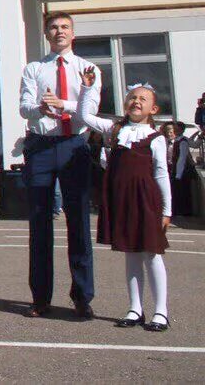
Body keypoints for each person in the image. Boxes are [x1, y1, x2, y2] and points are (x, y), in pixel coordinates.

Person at [18, 11, 100, 320]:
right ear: (46, 34)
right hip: (41, 146)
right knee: (39, 222)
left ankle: (82, 296)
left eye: (64, 27)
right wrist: (41, 106)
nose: (59, 31)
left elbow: (88, 110)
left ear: (73, 33)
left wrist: (62, 104)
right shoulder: (34, 68)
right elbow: (24, 108)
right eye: (53, 27)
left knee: (78, 220)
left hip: (73, 145)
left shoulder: (87, 69)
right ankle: (40, 298)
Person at [78, 77, 172, 331]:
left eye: (143, 99)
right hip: (124, 200)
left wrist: (167, 210)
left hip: (146, 200)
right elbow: (84, 115)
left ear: (153, 109)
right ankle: (135, 308)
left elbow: (161, 174)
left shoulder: (156, 137)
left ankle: (161, 311)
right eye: (132, 97)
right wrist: (87, 88)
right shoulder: (115, 130)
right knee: (131, 254)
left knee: (152, 254)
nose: (136, 101)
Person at [168, 122, 195, 218]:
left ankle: (184, 211)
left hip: (181, 171)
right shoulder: (178, 140)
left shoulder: (182, 141)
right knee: (178, 191)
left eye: (176, 128)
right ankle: (180, 210)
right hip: (177, 169)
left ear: (181, 130)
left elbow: (182, 158)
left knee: (182, 191)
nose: (174, 130)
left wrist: (178, 174)